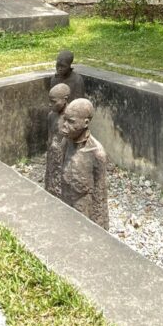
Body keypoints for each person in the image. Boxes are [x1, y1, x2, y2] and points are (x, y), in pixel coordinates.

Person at [58, 98, 108, 229]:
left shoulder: (97, 154)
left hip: (83, 210)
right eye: (65, 119)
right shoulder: (65, 142)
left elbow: (100, 197)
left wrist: (100, 231)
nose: (64, 125)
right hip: (65, 202)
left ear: (85, 123)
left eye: (71, 122)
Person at [44, 83, 71, 195]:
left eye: (54, 101)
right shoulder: (51, 115)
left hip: (66, 154)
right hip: (54, 152)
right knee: (52, 175)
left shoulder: (71, 118)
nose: (50, 105)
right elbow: (50, 135)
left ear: (65, 99)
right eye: (50, 101)